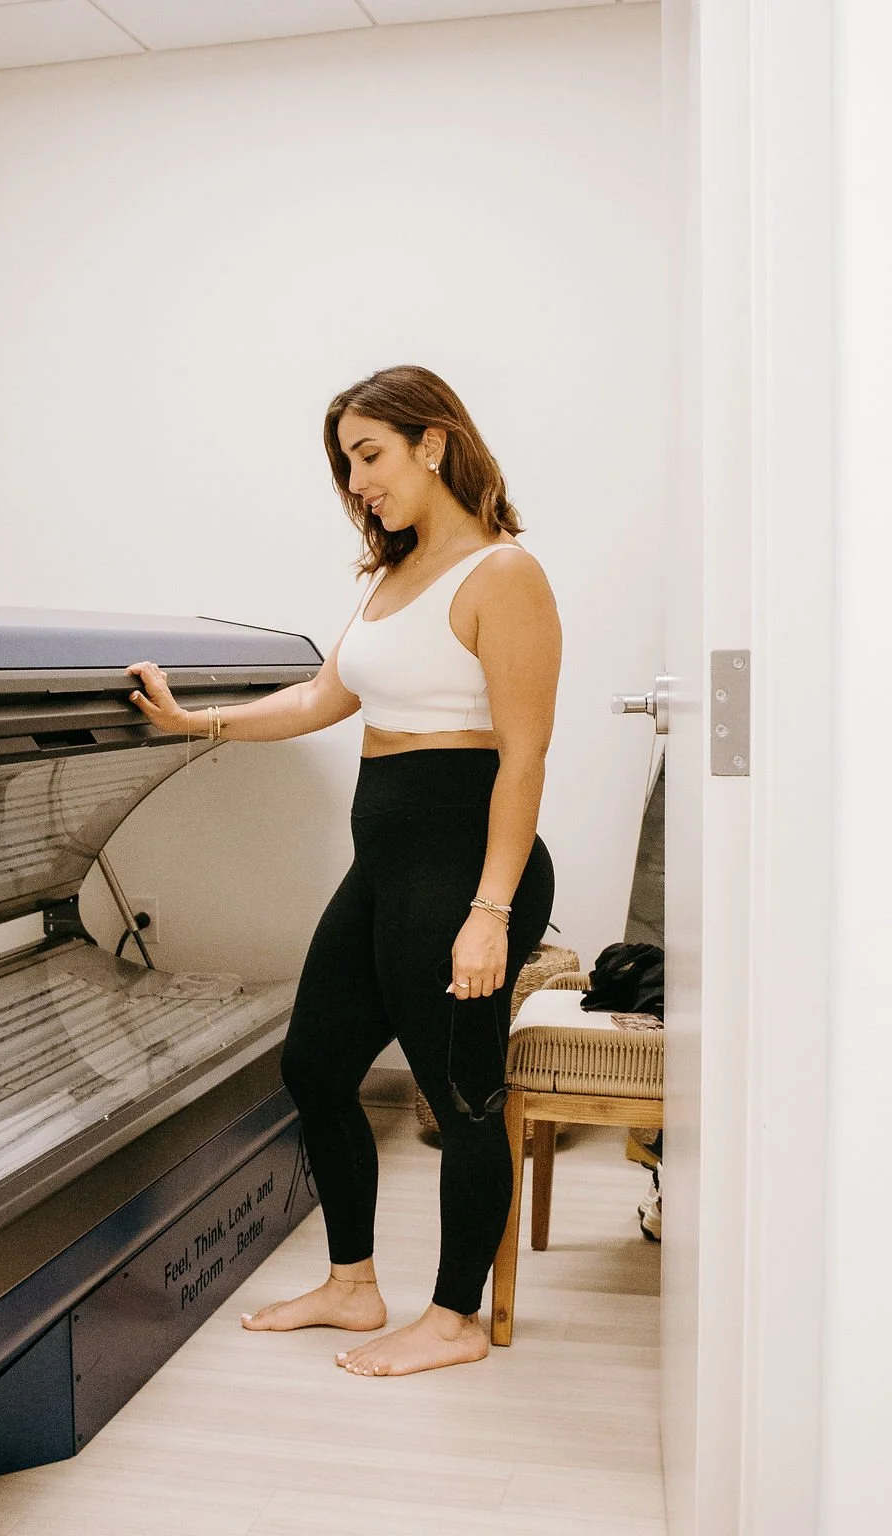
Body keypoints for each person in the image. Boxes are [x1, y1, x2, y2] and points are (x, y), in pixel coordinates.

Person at [128, 364, 562, 1377]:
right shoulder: (388, 578)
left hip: (464, 864)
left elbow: (527, 754)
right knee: (316, 1067)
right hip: (386, 862)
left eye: (368, 455)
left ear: (433, 444)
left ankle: (454, 1319)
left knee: (461, 1097)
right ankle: (354, 1285)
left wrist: (490, 910)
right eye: (345, 463)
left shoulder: (505, 575)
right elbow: (329, 694)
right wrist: (202, 725)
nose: (356, 481)